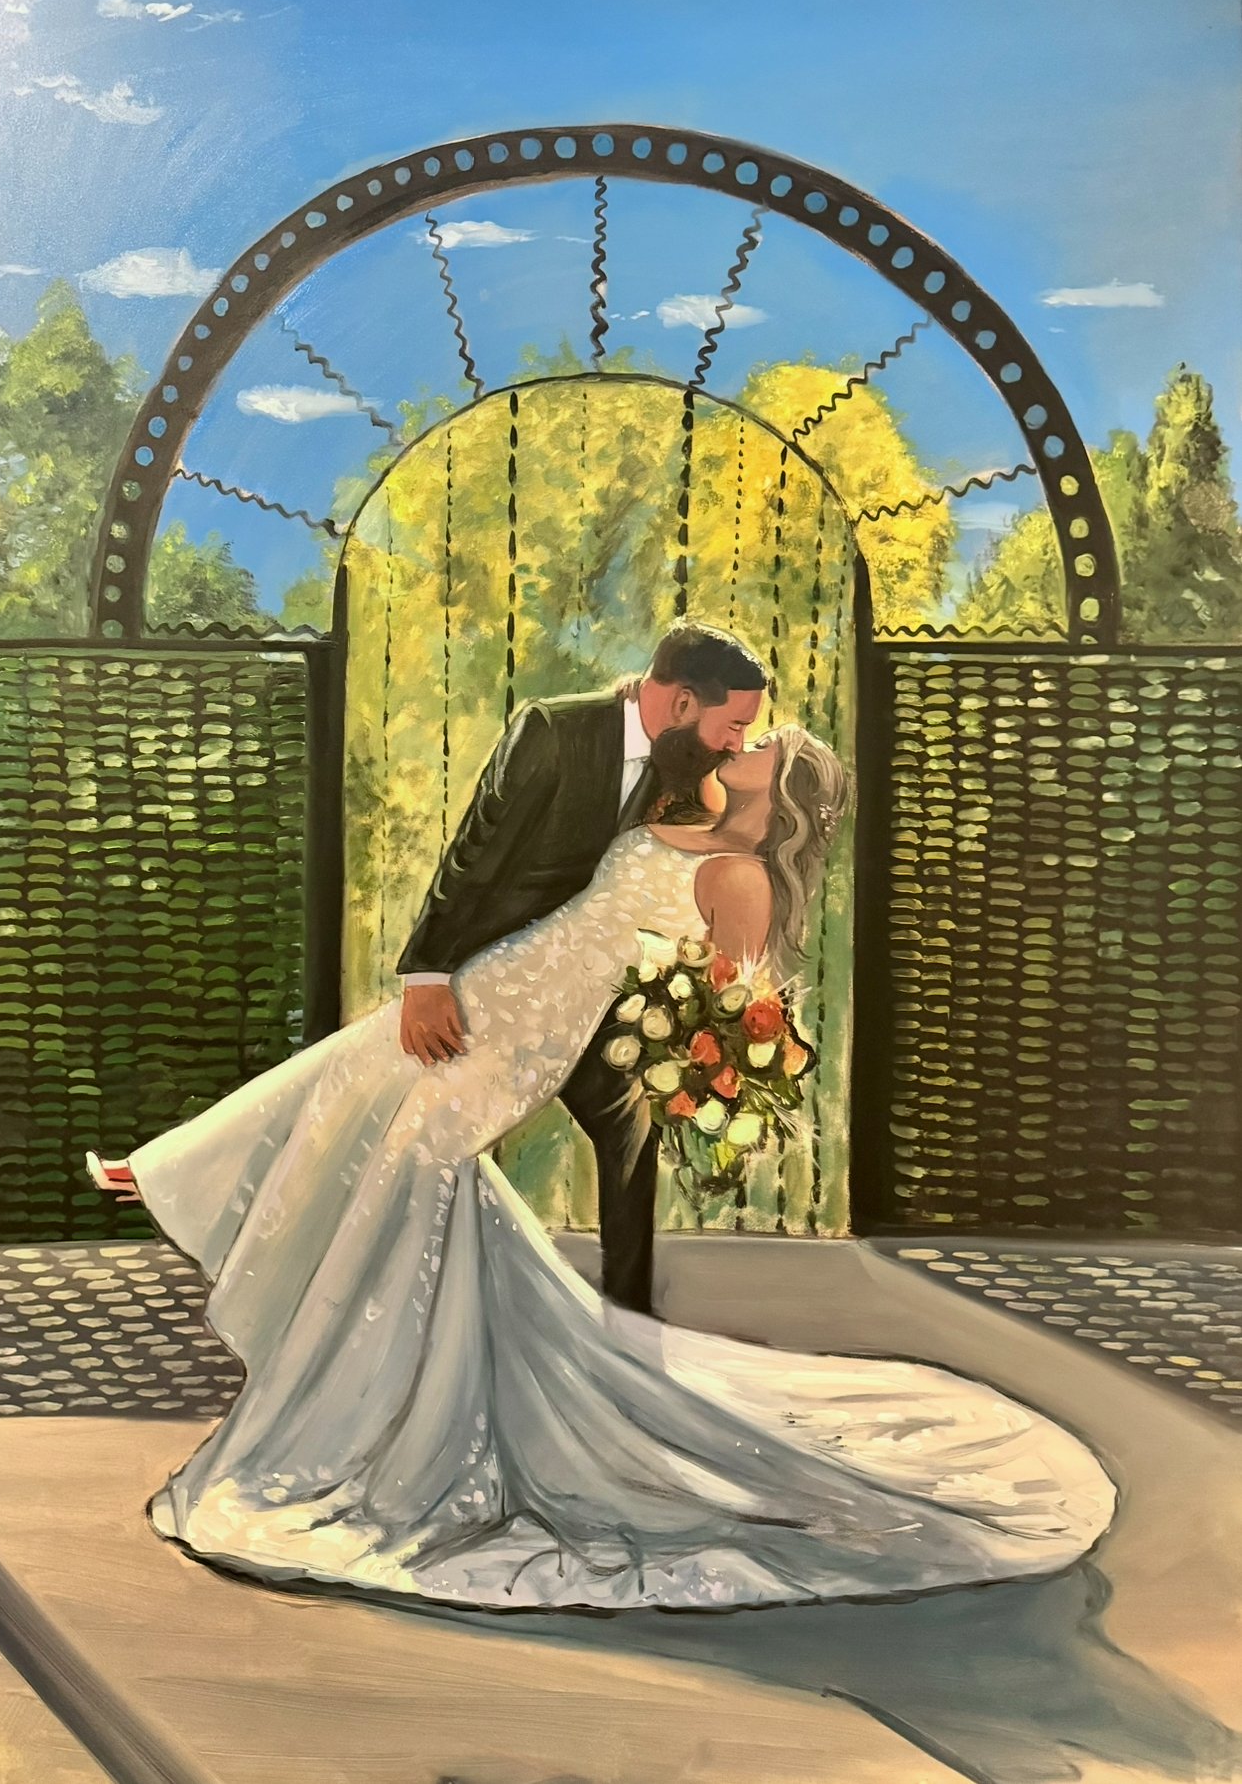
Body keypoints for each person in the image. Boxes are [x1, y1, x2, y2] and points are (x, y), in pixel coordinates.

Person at [88, 719, 1116, 1611]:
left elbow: (728, 1004)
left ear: (781, 794)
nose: (747, 743)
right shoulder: (673, 808)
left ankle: (359, 1412)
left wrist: (673, 1043)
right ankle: (179, 1176)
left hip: (536, 1030)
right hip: (502, 976)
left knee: (415, 1158)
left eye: (764, 749)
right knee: (357, 1066)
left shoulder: (740, 876)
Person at [396, 620, 768, 1316]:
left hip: (593, 1001)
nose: (737, 744)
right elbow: (475, 851)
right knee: (448, 1135)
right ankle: (439, 1302)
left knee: (631, 1128)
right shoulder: (553, 732)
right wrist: (427, 974)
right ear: (683, 703)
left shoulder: (686, 767)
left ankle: (628, 1317)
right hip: (499, 985)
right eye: (735, 725)